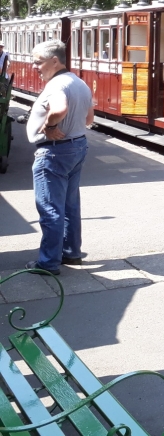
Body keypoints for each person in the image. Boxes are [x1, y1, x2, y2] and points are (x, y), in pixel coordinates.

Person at [26, 40, 94, 275]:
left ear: (55, 61)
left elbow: (59, 109)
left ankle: (48, 263)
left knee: (50, 209)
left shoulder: (56, 85)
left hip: (54, 152)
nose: (35, 67)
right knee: (69, 205)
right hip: (76, 146)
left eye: (38, 62)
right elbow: (89, 119)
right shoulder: (79, 82)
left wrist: (49, 126)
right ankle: (71, 252)